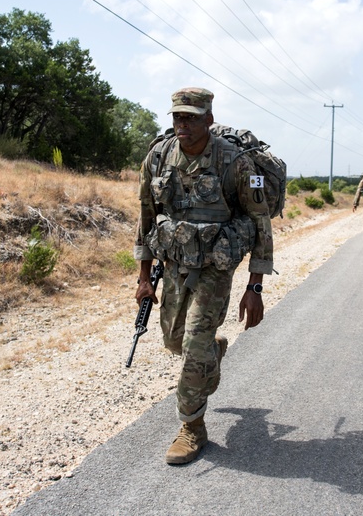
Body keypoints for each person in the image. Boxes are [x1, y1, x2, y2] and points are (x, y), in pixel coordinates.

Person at [133, 87, 274, 465]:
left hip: (215, 270)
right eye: (178, 116)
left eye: (192, 117)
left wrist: (255, 286)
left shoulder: (235, 162)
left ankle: (191, 426)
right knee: (176, 343)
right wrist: (143, 278)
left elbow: (261, 224)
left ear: (209, 119)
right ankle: (215, 350)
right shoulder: (158, 157)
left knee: (193, 348)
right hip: (174, 265)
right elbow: (146, 218)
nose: (183, 124)